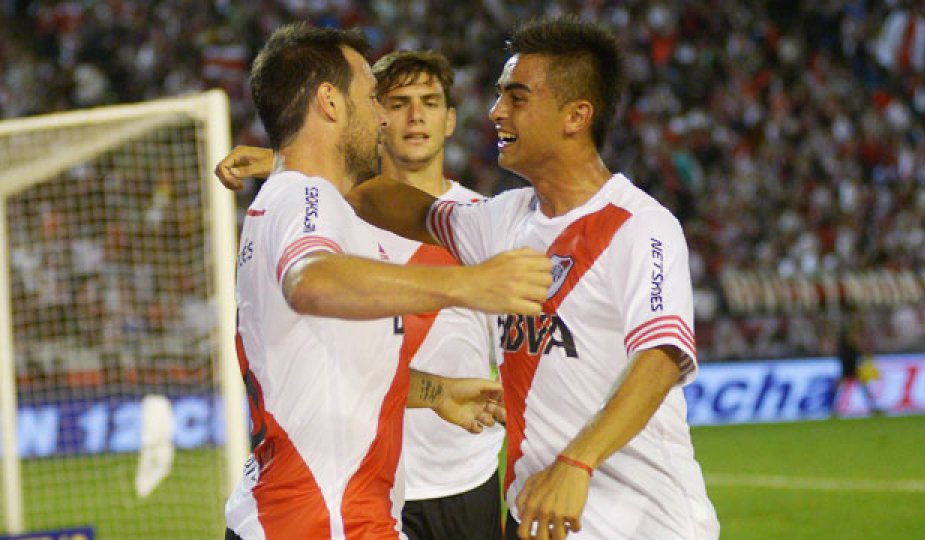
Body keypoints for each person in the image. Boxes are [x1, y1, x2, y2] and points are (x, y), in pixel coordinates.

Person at [218, 15, 719, 540]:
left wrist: (578, 461)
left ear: (576, 115)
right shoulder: (502, 221)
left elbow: (661, 357)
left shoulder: (641, 225)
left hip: (640, 521)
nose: (496, 111)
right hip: (536, 516)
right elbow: (394, 205)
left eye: (516, 97)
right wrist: (292, 161)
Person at [221, 23, 552, 540]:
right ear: (330, 102)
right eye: (373, 97)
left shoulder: (301, 200)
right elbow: (312, 281)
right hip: (324, 520)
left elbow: (340, 367)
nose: (382, 117)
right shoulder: (306, 197)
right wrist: (467, 284)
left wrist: (437, 392)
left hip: (310, 513)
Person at [373, 51, 504, 540]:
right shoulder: (340, 221)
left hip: (463, 478)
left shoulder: (486, 222)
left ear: (449, 120)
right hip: (368, 481)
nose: (415, 116)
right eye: (399, 103)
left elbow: (512, 355)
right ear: (375, 117)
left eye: (429, 103)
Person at [832, 305, 882, 416]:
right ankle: (833, 407)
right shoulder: (850, 326)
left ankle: (833, 408)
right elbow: (851, 341)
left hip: (848, 355)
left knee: (853, 382)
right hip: (848, 356)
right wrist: (861, 350)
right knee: (852, 381)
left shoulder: (849, 325)